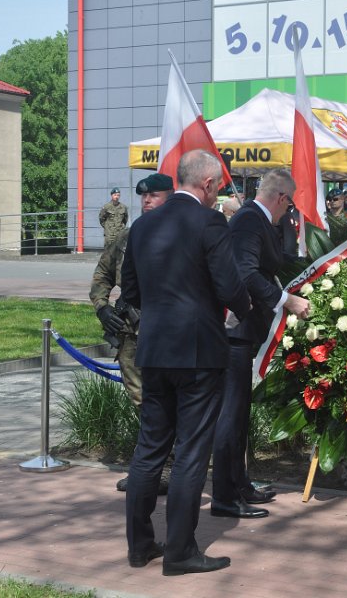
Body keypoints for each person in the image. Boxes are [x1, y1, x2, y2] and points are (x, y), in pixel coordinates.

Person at [121, 150, 251, 576]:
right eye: (218, 187)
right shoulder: (210, 221)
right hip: (198, 352)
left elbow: (132, 292)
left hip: (154, 349)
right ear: (209, 184)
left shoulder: (142, 225)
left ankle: (140, 546)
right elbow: (230, 286)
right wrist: (242, 307)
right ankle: (179, 552)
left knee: (149, 450)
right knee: (192, 453)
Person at [212, 170, 311, 520]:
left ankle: (238, 484)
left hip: (244, 332)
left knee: (239, 416)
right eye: (291, 203)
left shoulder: (255, 220)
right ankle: (224, 496)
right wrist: (287, 301)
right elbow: (246, 272)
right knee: (230, 415)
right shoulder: (250, 221)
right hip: (233, 332)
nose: (289, 212)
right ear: (282, 198)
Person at [90, 173, 173, 493]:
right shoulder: (126, 236)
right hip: (132, 334)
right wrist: (102, 308)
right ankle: (151, 470)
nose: (147, 201)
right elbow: (101, 276)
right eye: (143, 196)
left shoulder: (180, 235)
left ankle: (168, 468)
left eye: (154, 196)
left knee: (167, 402)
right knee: (142, 401)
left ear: (170, 196)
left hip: (168, 333)